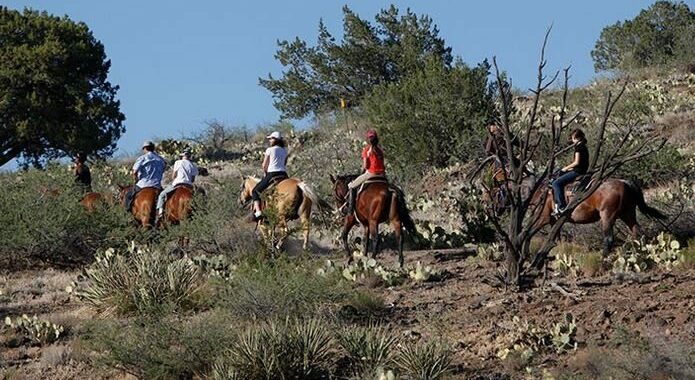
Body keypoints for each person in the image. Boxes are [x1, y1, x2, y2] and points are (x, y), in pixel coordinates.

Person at [343, 129, 386, 215]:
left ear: (368, 139)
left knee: (352, 186)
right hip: (382, 176)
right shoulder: (380, 150)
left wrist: (362, 172)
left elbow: (366, 166)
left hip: (371, 173)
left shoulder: (367, 150)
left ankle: (350, 210)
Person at [251, 131, 288, 220]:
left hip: (272, 173)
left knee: (255, 191)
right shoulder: (284, 151)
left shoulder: (269, 150)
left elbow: (264, 165)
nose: (270, 140)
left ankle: (258, 212)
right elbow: (284, 163)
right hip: (283, 174)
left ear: (275, 139)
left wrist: (265, 172)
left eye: (271, 139)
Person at [552, 129, 590, 216]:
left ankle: (561, 206)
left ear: (577, 138)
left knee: (556, 183)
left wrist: (565, 168)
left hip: (578, 171)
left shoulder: (578, 147)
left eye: (573, 138)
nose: (572, 141)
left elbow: (576, 162)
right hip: (582, 169)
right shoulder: (584, 146)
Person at [155, 149, 198, 223]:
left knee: (162, 195)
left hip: (177, 184)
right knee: (199, 197)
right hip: (189, 185)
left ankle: (160, 213)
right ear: (189, 156)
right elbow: (193, 179)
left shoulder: (178, 162)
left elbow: (174, 176)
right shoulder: (193, 165)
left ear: (182, 155)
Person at [125, 141, 166, 211]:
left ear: (145, 148)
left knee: (128, 195)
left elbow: (134, 171)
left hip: (143, 184)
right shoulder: (161, 159)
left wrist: (135, 180)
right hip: (157, 185)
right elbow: (164, 168)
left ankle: (128, 212)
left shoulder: (142, 158)